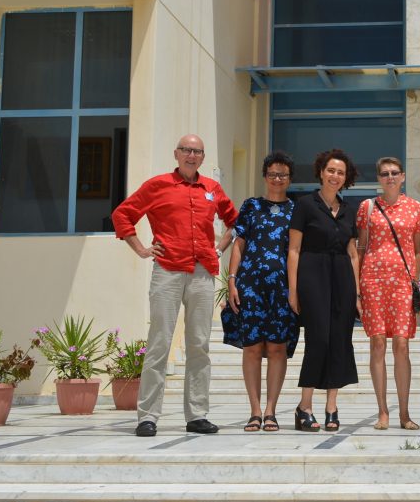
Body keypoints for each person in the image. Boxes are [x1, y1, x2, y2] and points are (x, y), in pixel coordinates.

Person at [112, 134, 238, 437]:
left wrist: (219, 248)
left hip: (202, 273)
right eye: (186, 150)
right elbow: (123, 214)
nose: (191, 155)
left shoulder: (212, 188)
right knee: (159, 343)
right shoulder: (157, 185)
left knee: (199, 345)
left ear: (203, 157)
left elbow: (235, 221)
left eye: (197, 151)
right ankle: (148, 416)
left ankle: (197, 415)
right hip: (167, 271)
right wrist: (141, 249)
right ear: (176, 154)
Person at [223, 151, 299, 433]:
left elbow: (298, 250)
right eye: (273, 174)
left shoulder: (297, 210)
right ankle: (255, 411)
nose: (277, 179)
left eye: (283, 174)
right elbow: (239, 244)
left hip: (283, 288)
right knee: (252, 347)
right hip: (250, 286)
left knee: (278, 348)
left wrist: (296, 291)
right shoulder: (251, 206)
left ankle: (270, 411)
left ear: (290, 178)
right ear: (265, 177)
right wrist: (232, 280)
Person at [288, 149, 362, 432]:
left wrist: (356, 294)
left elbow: (353, 254)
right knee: (318, 339)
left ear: (346, 178)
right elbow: (294, 250)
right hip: (312, 276)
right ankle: (304, 406)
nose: (335, 176)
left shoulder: (349, 210)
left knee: (340, 341)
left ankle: (332, 407)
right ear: (321, 172)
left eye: (340, 172)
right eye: (331, 170)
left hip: (342, 279)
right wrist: (293, 290)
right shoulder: (305, 205)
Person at [356, 157, 420, 431]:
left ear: (403, 176)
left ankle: (404, 413)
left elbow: (417, 250)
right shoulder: (368, 207)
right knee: (377, 343)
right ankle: (382, 411)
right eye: (384, 173)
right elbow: (361, 247)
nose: (390, 177)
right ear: (378, 178)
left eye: (395, 173)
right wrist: (357, 289)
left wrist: (416, 283)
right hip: (373, 280)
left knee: (401, 344)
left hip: (402, 283)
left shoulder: (416, 208)